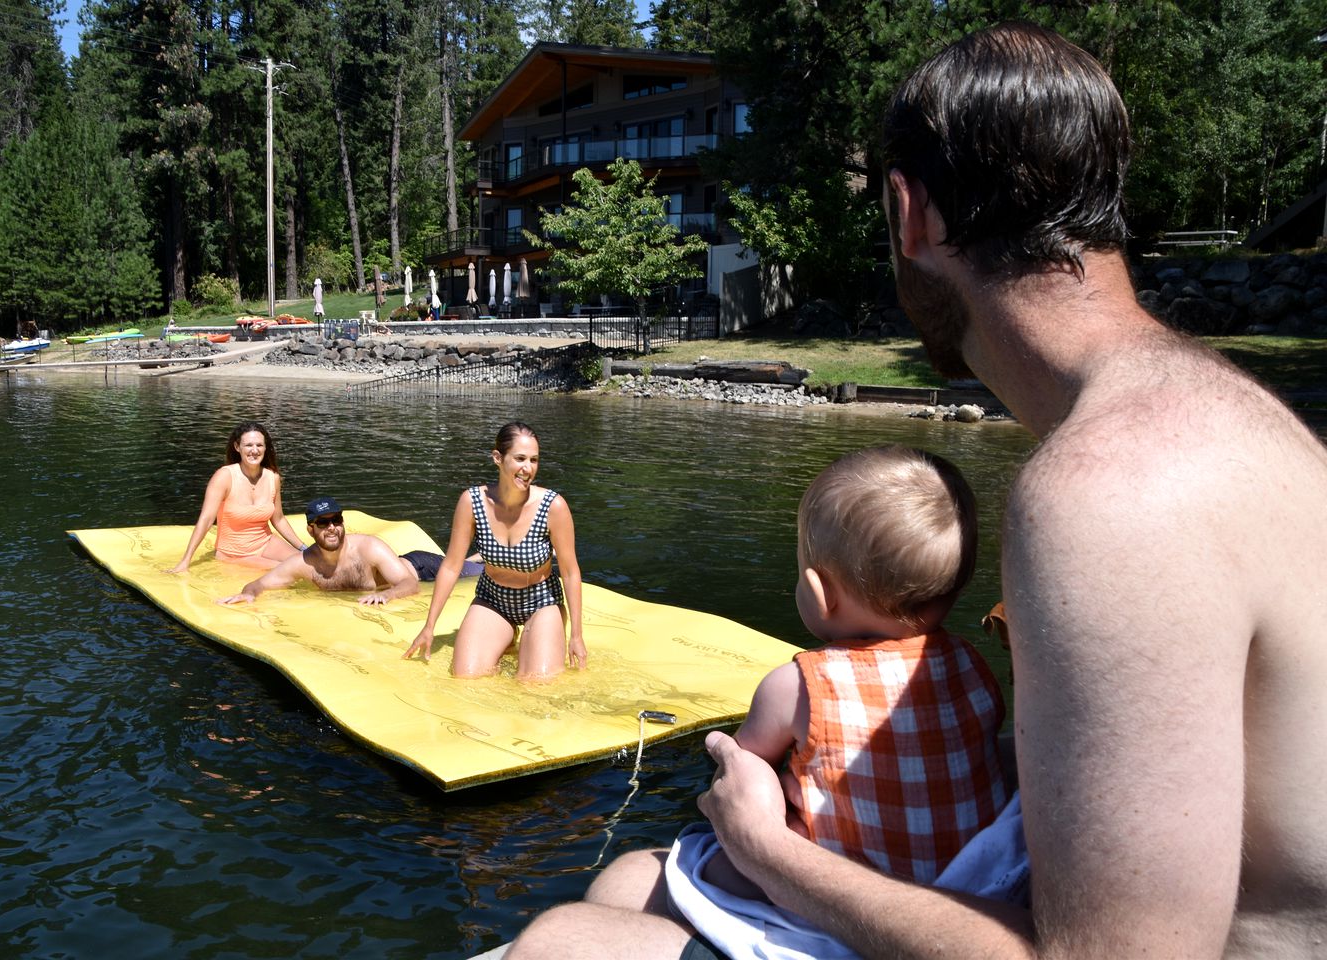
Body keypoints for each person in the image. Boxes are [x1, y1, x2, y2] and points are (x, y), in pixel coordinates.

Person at [508, 20, 1327, 960]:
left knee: (564, 937)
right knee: (626, 879)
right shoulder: (1243, 419)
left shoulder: (1113, 490)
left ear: (911, 213)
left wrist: (768, 850)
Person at [685, 446, 1013, 914]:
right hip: (973, 886)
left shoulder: (795, 687)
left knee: (700, 860)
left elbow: (743, 771)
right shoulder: (971, 664)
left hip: (841, 895)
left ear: (819, 594)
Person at [404, 421, 586, 681]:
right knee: (465, 677)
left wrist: (576, 636)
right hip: (493, 599)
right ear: (498, 458)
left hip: (541, 602)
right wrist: (429, 626)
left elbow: (569, 572)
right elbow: (452, 565)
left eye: (534, 460)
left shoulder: (553, 506)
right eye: (520, 458)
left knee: (534, 684)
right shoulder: (472, 502)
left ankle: (533, 640)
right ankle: (507, 637)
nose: (528, 468)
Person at [219, 495, 485, 605]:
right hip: (408, 572)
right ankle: (476, 556)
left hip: (422, 569)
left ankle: (482, 557)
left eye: (337, 520)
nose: (332, 527)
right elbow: (260, 583)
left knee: (482, 573)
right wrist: (249, 594)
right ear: (311, 529)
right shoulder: (303, 563)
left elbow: (408, 583)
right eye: (323, 523)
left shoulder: (368, 546)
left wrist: (387, 595)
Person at [169, 421, 306, 573]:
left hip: (265, 542)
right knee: (286, 569)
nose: (254, 450)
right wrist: (185, 561)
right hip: (235, 553)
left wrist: (304, 548)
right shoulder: (224, 477)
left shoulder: (272, 477)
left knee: (308, 563)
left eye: (259, 445)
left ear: (265, 448)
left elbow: (278, 519)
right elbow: (206, 519)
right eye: (248, 445)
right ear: (237, 447)